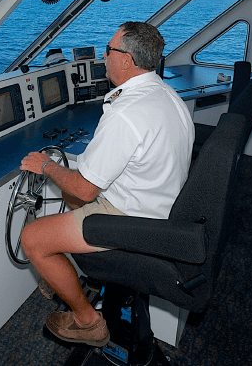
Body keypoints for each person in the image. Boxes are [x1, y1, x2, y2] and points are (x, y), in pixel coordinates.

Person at [20, 21, 194, 347]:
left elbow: (86, 190)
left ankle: (89, 324)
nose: (104, 56)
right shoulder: (168, 96)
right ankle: (73, 275)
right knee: (72, 187)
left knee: (32, 238)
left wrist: (46, 166)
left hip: (131, 219)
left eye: (109, 50)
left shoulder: (125, 113)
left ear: (125, 60)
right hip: (162, 205)